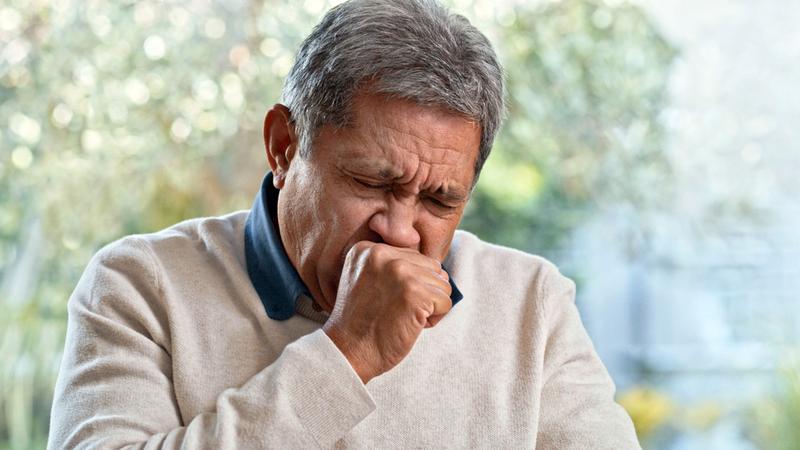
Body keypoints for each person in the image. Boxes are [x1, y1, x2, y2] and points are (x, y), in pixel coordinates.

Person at [48, 0, 640, 448]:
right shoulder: (137, 285)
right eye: (373, 183)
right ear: (283, 146)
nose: (402, 232)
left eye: (439, 200)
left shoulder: (532, 302)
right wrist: (347, 352)